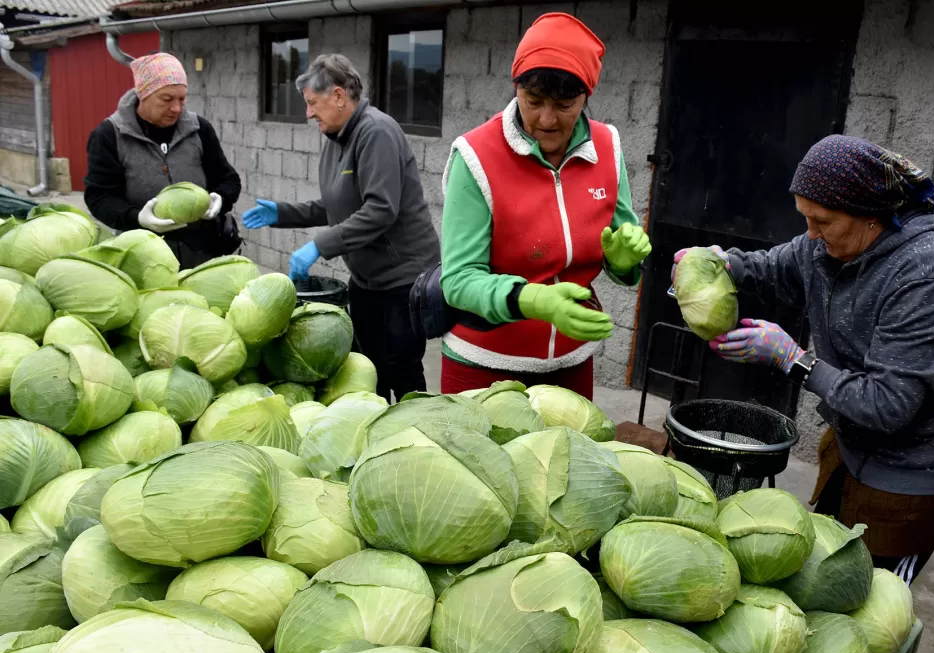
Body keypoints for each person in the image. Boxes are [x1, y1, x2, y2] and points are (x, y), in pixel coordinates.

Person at [673, 135, 934, 585]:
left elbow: (888, 404)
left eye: (822, 221)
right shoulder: (826, 243)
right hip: (857, 436)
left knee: (872, 586)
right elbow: (773, 267)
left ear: (873, 217)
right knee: (828, 559)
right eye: (805, 218)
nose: (810, 234)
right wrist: (714, 264)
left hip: (922, 462)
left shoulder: (930, 275)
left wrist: (793, 359)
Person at [437, 12, 651, 400]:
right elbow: (458, 281)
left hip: (570, 363)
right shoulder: (476, 156)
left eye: (565, 104)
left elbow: (625, 263)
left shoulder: (607, 147)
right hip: (483, 363)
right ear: (516, 88)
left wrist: (622, 261)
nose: (546, 119)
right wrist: (532, 300)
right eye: (533, 101)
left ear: (586, 95)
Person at [241, 54, 440, 404]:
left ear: (337, 96)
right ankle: (374, 433)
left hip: (402, 279)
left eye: (311, 103)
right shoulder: (337, 139)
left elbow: (380, 210)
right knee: (366, 366)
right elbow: (338, 205)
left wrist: (320, 246)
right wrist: (283, 213)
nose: (308, 113)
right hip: (367, 279)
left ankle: (422, 433)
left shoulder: (375, 132)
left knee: (400, 367)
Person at [84, 52, 242, 268]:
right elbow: (99, 197)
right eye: (166, 99)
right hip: (143, 258)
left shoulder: (199, 129)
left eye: (182, 99)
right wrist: (138, 217)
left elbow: (228, 179)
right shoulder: (110, 135)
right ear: (143, 94)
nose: (176, 108)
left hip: (203, 252)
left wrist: (220, 199)